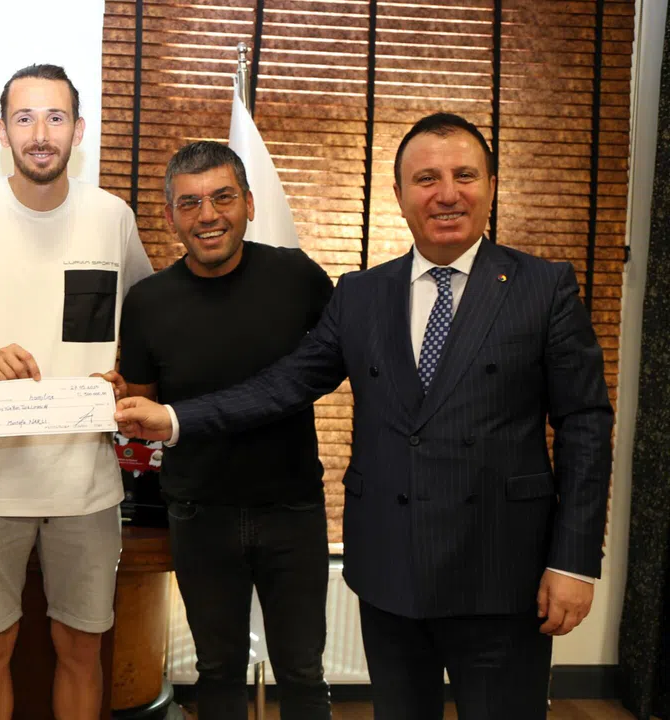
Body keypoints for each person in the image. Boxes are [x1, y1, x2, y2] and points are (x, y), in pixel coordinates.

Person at [115, 112, 613, 719]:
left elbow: (586, 426)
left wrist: (573, 561)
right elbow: (286, 383)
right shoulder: (362, 294)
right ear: (399, 195)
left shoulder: (544, 287)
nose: (447, 194)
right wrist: (174, 418)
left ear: (490, 184)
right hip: (390, 577)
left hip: (502, 574)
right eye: (426, 179)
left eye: (464, 175)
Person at [0, 64, 153, 719]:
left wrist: (125, 375)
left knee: (82, 649)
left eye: (56, 117)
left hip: (85, 484)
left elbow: (144, 324)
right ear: (3, 132)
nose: (40, 133)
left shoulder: (111, 217)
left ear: (78, 130)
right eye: (24, 118)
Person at [119, 140, 333, 718]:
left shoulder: (297, 276)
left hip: (292, 509)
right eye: (189, 203)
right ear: (170, 217)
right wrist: (109, 398)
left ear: (250, 204)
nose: (208, 215)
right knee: (217, 672)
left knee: (303, 674)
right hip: (199, 513)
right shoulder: (146, 303)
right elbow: (142, 408)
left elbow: (341, 360)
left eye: (223, 198)